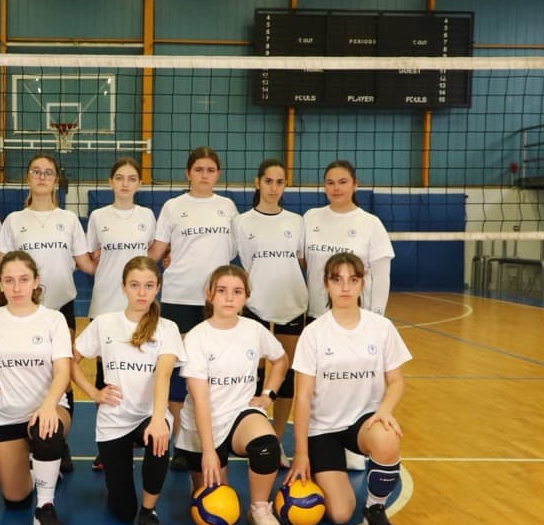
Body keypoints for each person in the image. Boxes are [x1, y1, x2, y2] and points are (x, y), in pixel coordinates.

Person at [284, 251, 409, 525]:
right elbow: (302, 398)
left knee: (387, 436)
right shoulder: (314, 333)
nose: (345, 287)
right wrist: (300, 454)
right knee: (340, 514)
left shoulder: (381, 328)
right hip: (323, 430)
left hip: (362, 423)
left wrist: (384, 411)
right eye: (337, 280)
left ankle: (375, 507)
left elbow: (396, 381)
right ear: (326, 284)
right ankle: (322, 470)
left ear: (362, 283)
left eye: (353, 280)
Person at [0, 251, 73, 525]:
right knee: (15, 499)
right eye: (9, 280)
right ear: (0, 284)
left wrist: (49, 405)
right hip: (4, 415)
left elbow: (63, 370)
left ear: (36, 281)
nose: (17, 287)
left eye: (24, 279)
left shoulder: (53, 319)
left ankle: (45, 507)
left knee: (47, 431)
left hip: (47, 410)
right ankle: (41, 469)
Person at [72, 256, 184, 525]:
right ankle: (120, 489)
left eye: (148, 285)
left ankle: (148, 514)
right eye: (135, 285)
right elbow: (69, 360)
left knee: (158, 437)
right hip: (114, 420)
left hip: (149, 414)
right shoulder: (105, 324)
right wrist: (94, 393)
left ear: (158, 287)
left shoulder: (167, 328)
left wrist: (159, 419)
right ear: (123, 287)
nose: (141, 292)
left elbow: (163, 375)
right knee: (122, 511)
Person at [0, 152, 95, 473]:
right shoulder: (14, 221)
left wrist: (120, 255)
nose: (42, 177)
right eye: (36, 171)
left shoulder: (69, 220)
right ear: (28, 177)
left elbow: (85, 264)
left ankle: (58, 441)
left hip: (61, 308)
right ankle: (26, 437)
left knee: (62, 374)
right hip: (23, 312)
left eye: (48, 172)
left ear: (55, 180)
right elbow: (1, 265)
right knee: (29, 373)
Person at [175, 264, 289, 525]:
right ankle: (202, 479)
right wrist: (208, 451)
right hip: (203, 422)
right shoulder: (197, 337)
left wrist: (268, 395)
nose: (229, 297)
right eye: (222, 290)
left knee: (267, 445)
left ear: (246, 297)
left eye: (237, 292)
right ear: (209, 294)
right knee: (216, 510)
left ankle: (259, 508)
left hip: (240, 415)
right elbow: (200, 400)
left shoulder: (254, 330)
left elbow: (281, 360)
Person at [148, 146, 238, 469]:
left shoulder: (227, 207)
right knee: (176, 370)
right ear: (188, 173)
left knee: (209, 370)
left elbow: (234, 250)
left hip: (216, 301)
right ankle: (182, 444)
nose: (204, 175)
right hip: (178, 296)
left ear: (218, 174)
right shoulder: (173, 207)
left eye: (210, 170)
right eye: (198, 169)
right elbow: (157, 250)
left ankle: (207, 439)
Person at [302, 159, 394, 471]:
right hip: (318, 316)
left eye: (343, 182)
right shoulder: (311, 218)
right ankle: (323, 441)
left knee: (357, 383)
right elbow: (302, 261)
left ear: (355, 184)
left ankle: (355, 442)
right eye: (330, 182)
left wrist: (376, 319)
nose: (336, 188)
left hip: (357, 321)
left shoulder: (370, 223)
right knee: (321, 386)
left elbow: (381, 275)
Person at [232, 159, 307, 467]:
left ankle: (276, 440)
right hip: (255, 304)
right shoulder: (242, 222)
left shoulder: (297, 221)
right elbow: (237, 261)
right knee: (256, 373)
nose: (274, 188)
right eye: (268, 181)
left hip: (291, 302)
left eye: (279, 182)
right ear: (257, 183)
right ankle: (254, 436)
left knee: (286, 373)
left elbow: (302, 261)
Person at [85, 157, 156, 471]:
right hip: (105, 303)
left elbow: (152, 255)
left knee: (138, 370)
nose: (125, 183)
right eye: (119, 178)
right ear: (111, 182)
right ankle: (108, 445)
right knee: (106, 375)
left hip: (139, 305)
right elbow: (90, 257)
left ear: (139, 183)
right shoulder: (98, 216)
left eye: (131, 178)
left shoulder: (147, 216)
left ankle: (140, 432)